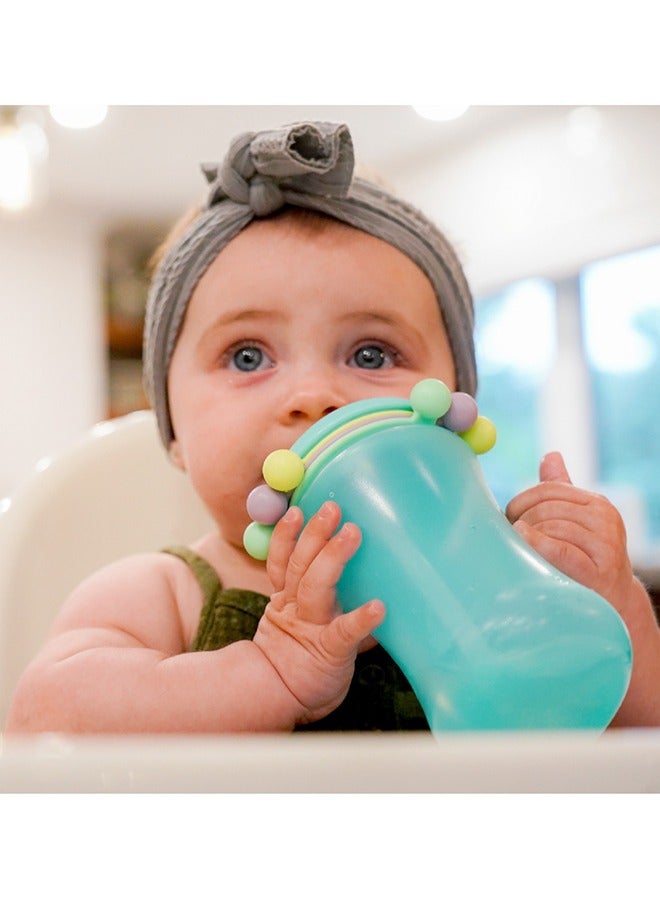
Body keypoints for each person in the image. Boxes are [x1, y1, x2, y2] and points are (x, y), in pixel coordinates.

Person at [5, 121, 659, 734]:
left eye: (371, 354)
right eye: (248, 356)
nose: (314, 396)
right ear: (176, 432)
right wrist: (264, 677)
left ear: (455, 407)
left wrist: (615, 610)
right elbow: (42, 719)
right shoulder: (164, 594)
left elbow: (632, 742)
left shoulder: (504, 572)